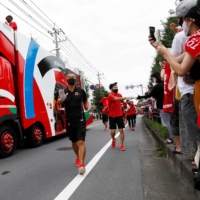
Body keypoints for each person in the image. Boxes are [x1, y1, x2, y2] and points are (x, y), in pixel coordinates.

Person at [59, 72, 90, 175]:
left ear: (75, 79)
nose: (71, 79)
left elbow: (85, 101)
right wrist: (61, 99)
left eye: (73, 77)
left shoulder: (81, 91)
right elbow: (59, 101)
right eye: (69, 77)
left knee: (81, 142)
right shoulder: (63, 91)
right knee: (74, 142)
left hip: (80, 119)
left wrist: (87, 107)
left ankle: (82, 164)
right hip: (69, 121)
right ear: (66, 79)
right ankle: (78, 156)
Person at [108, 82, 134, 151]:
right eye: (114, 87)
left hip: (119, 115)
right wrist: (127, 97)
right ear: (111, 89)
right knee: (113, 131)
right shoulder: (110, 95)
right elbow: (117, 99)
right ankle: (113, 139)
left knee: (121, 130)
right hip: (112, 115)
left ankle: (121, 145)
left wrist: (125, 105)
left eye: (116, 87)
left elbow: (123, 101)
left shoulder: (119, 94)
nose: (116, 88)